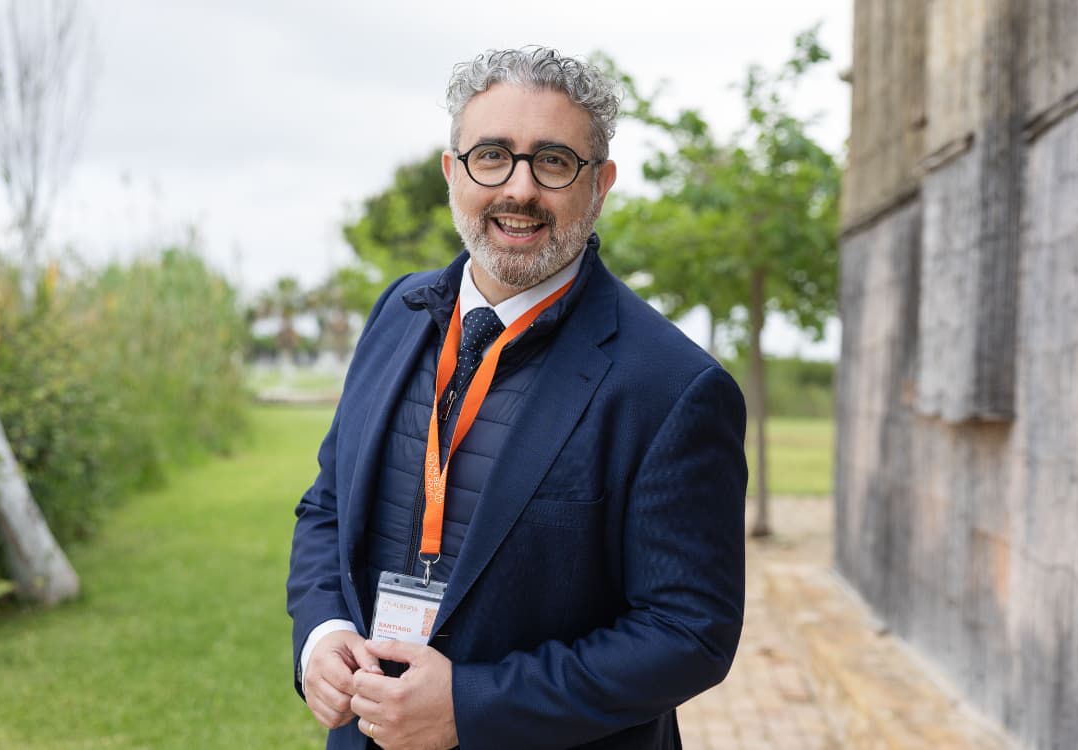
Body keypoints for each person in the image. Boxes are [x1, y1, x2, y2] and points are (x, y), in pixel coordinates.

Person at [287, 46, 747, 750]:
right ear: (453, 171)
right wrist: (322, 633)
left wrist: (470, 706)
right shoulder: (396, 314)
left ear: (601, 184)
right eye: (492, 156)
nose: (519, 189)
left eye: (554, 161)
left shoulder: (674, 387)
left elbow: (688, 633)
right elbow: (327, 506)